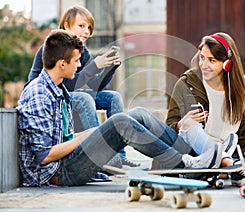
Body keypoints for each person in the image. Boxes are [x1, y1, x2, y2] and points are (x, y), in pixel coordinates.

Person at [17, 29, 233, 187]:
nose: (79, 65)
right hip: (58, 173)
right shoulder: (39, 94)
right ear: (62, 63)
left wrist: (89, 134)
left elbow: (61, 139)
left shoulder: (57, 89)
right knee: (119, 123)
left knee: (138, 114)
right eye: (76, 60)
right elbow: (43, 156)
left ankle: (185, 157)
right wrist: (85, 137)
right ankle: (186, 166)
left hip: (67, 162)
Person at [166, 32, 245, 185]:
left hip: (233, 152)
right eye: (202, 57)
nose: (204, 65)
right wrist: (182, 124)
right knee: (190, 127)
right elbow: (170, 125)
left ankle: (223, 172)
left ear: (227, 63)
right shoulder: (188, 83)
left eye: (211, 60)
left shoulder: (243, 86)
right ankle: (230, 169)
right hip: (199, 153)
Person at [26, 5, 139, 168]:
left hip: (66, 95)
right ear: (66, 25)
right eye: (81, 26)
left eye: (89, 28)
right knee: (83, 97)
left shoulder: (82, 51)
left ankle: (119, 155)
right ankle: (99, 156)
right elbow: (68, 85)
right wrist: (95, 66)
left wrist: (109, 67)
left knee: (113, 97)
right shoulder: (52, 47)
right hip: (48, 97)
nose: (87, 31)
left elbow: (96, 85)